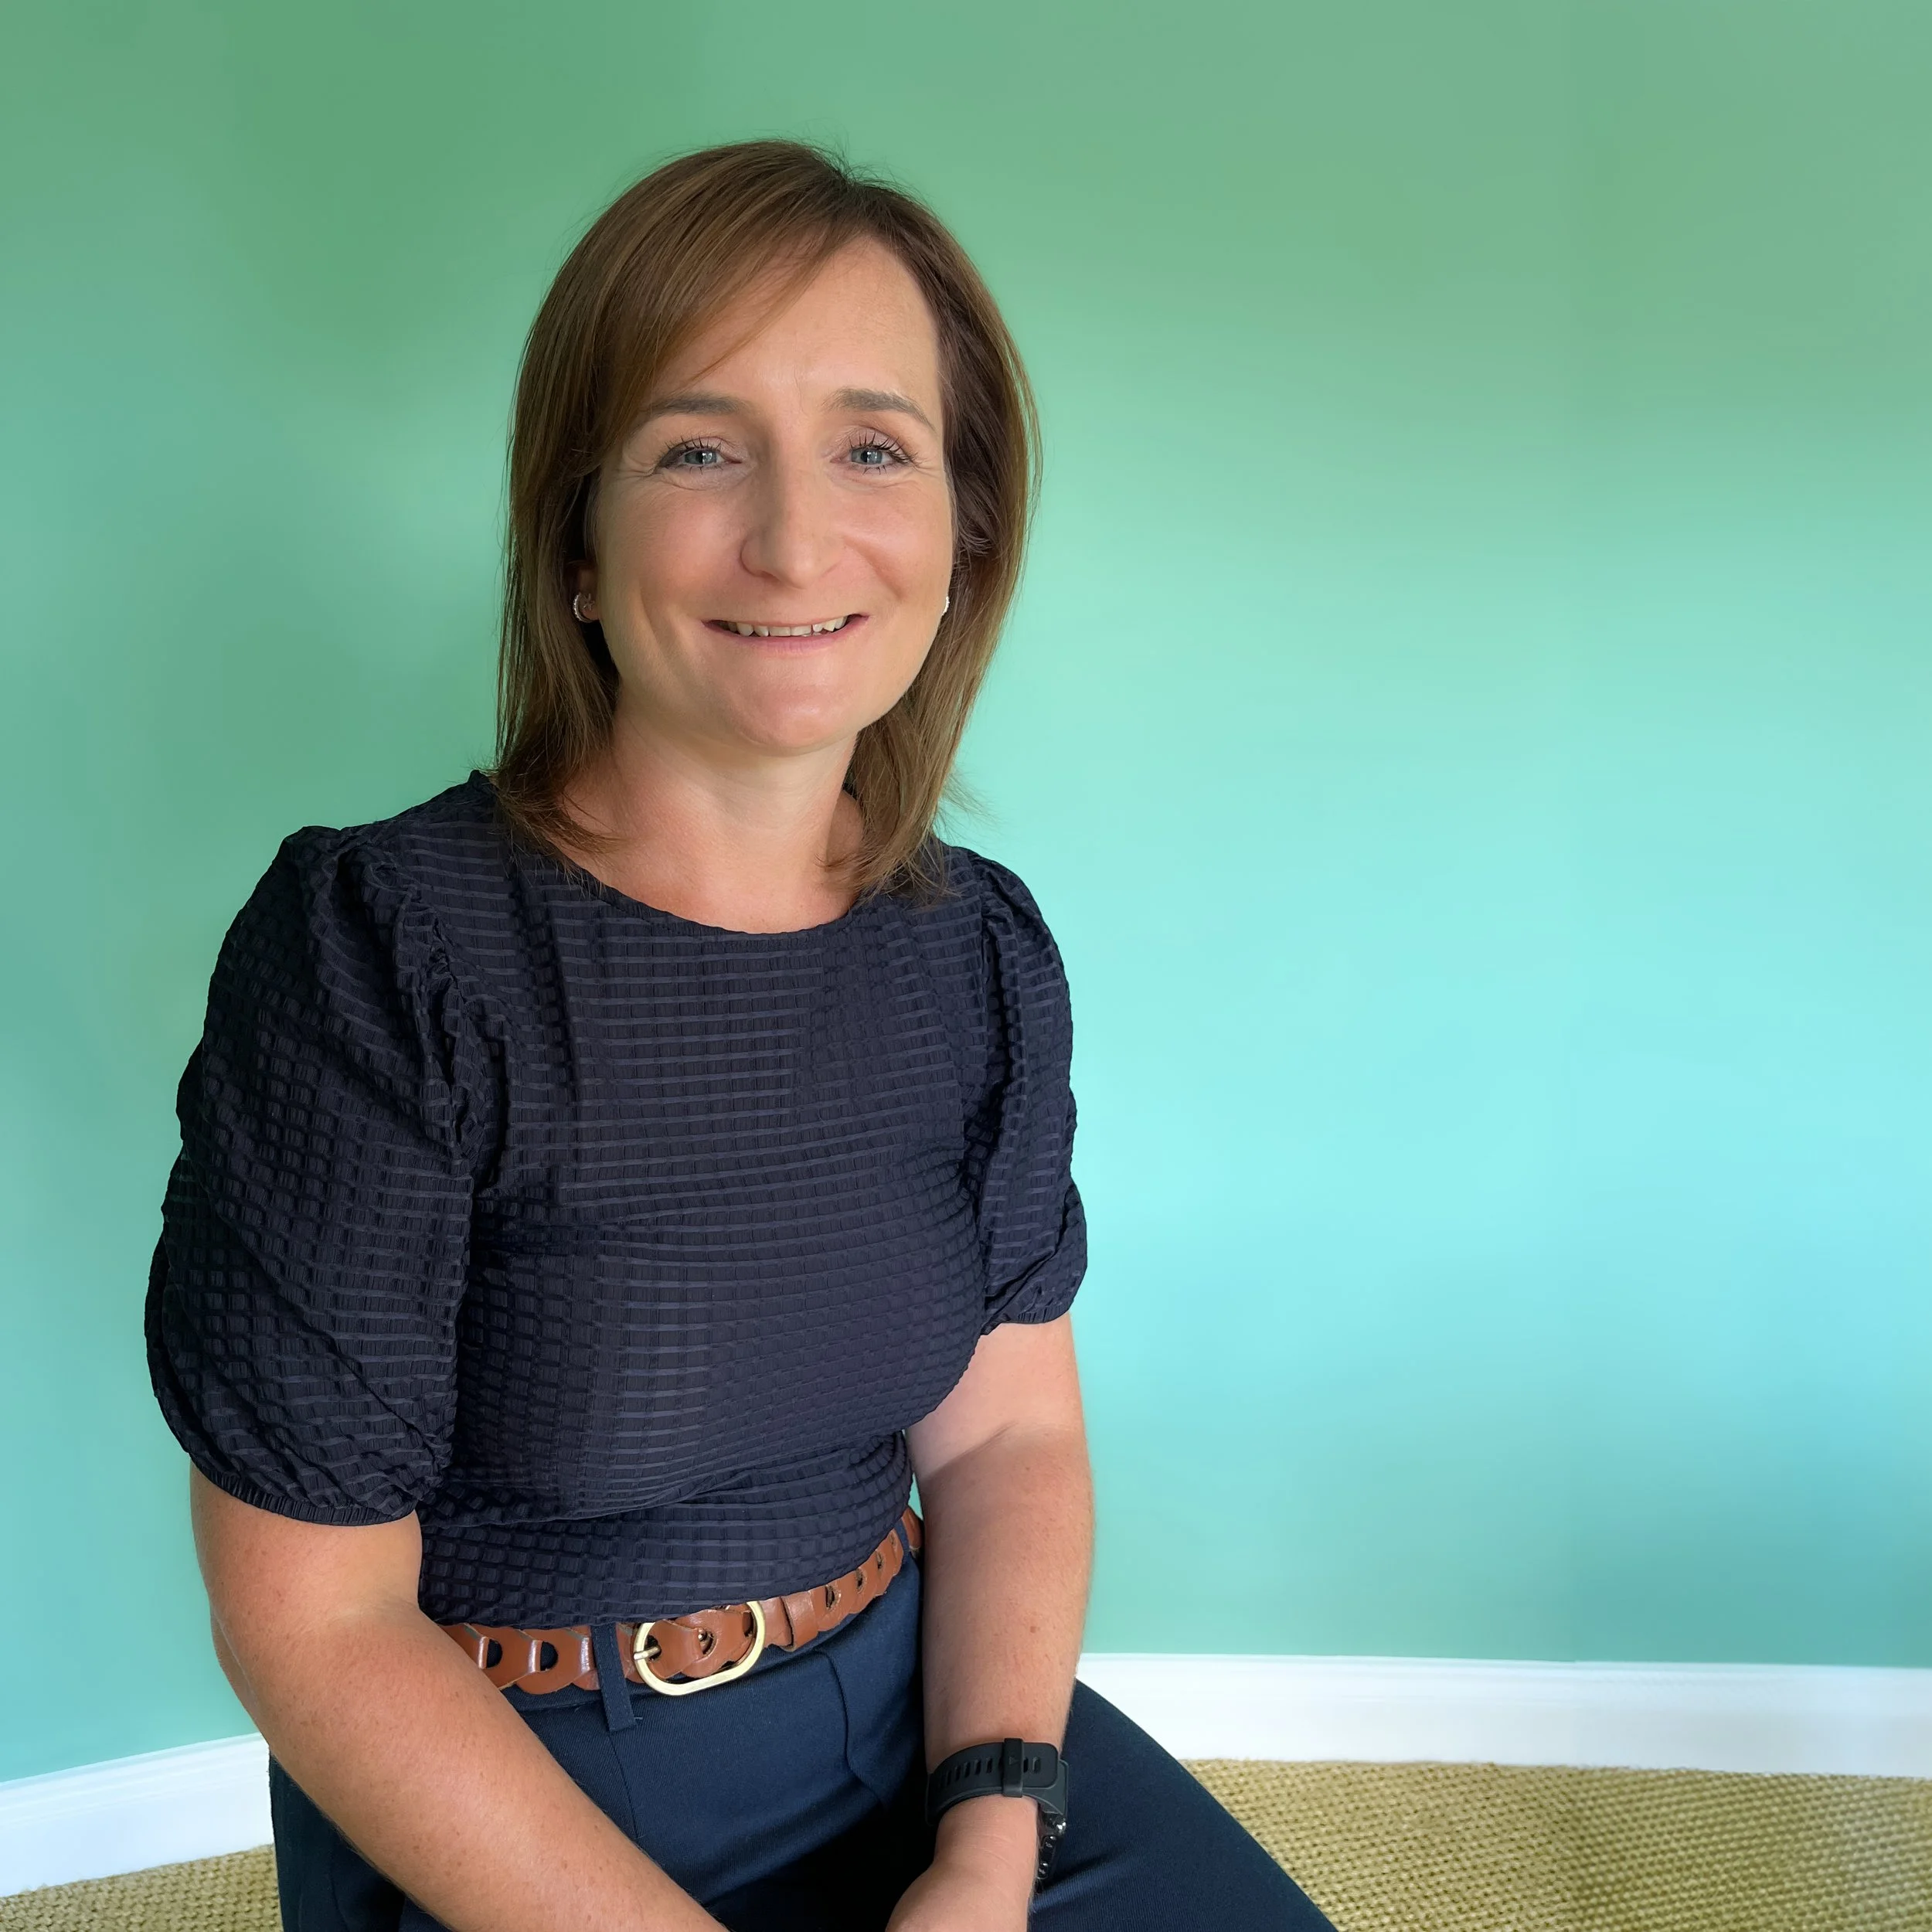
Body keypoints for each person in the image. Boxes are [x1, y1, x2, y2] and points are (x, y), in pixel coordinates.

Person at [146, 140, 1336, 1932]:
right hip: (517, 1792)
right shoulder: (376, 951)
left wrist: (985, 1842)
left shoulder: (978, 950)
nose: (793, 539)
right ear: (575, 541)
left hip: (919, 1727)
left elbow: (1006, 1444)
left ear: (962, 531)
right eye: (699, 449)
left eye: (874, 448)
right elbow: (313, 1622)